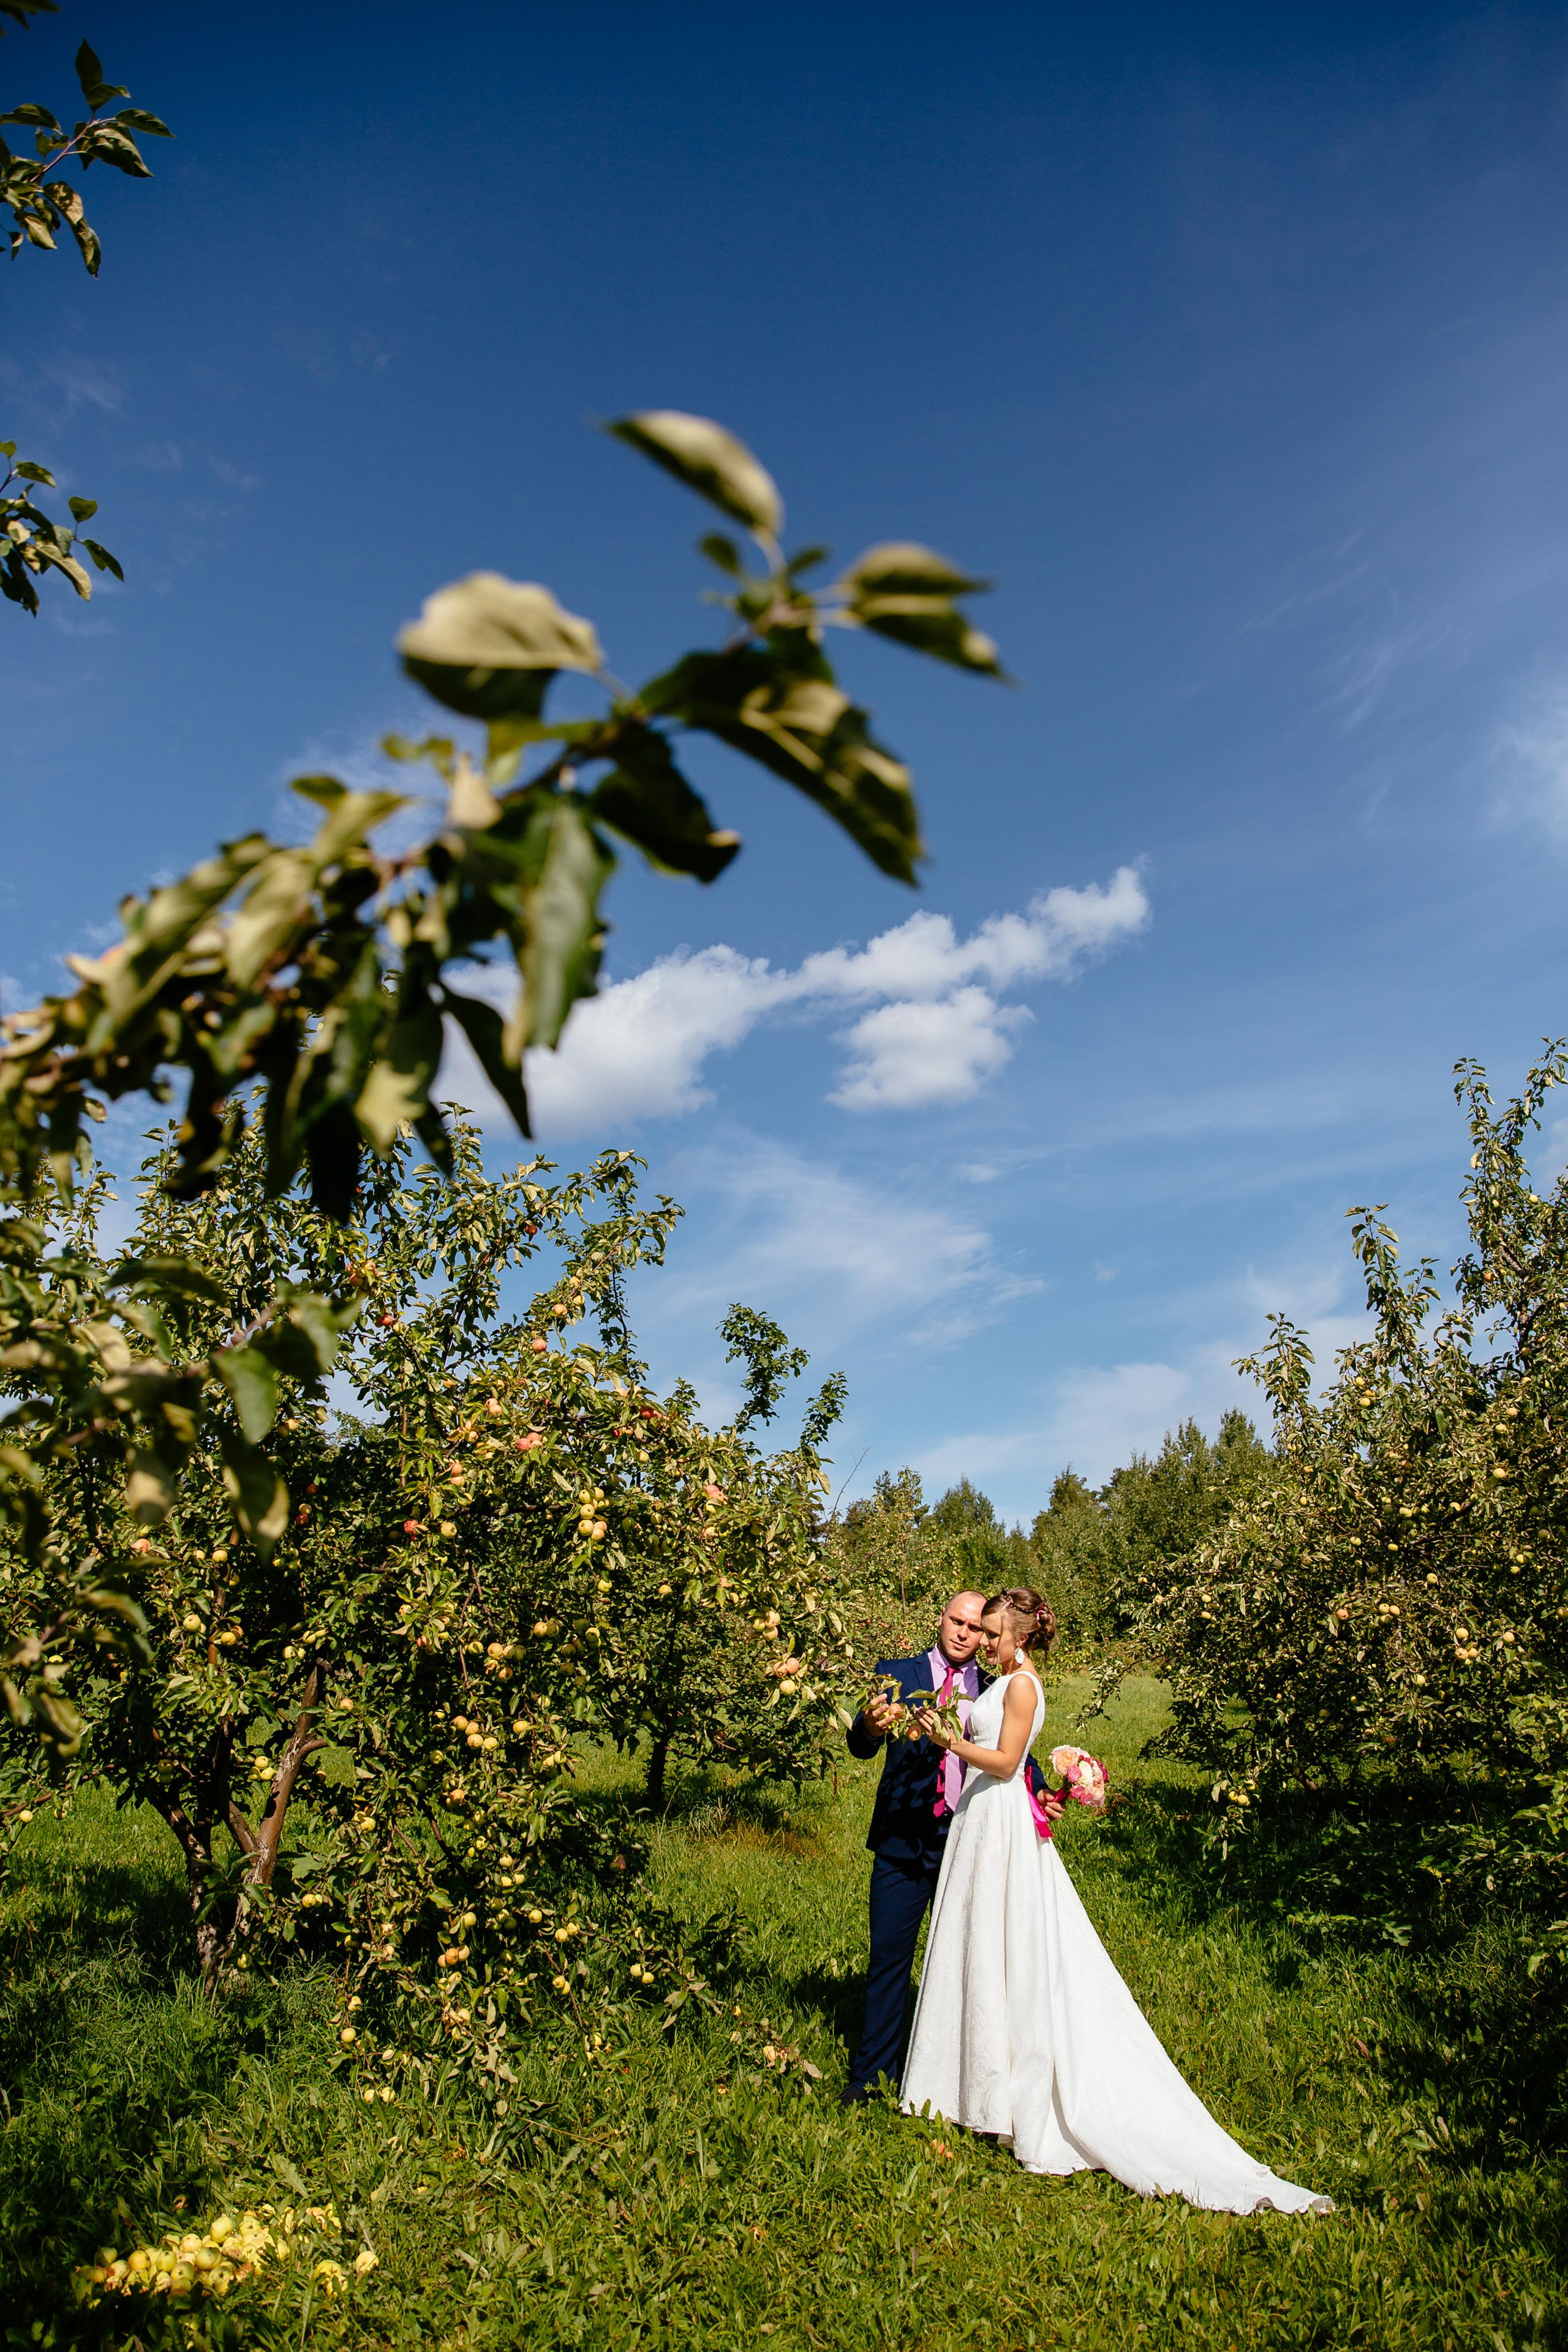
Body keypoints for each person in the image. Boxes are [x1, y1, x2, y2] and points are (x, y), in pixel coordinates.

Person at [898, 1584, 1332, 2212]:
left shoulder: (1021, 1686)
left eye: (995, 1634)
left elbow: (1004, 1761)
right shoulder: (1000, 1683)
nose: (986, 1643)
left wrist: (945, 1740)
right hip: (981, 1821)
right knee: (978, 1944)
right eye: (984, 1633)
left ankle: (1007, 2100)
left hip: (999, 1824)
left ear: (1019, 1635)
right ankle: (971, 2090)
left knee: (1005, 1951)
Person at [841, 1590, 1061, 2103]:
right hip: (903, 1838)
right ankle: (871, 2079)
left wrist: (1042, 1788)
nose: (966, 1633)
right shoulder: (898, 1672)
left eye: (977, 1626)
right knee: (889, 1958)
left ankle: (958, 2079)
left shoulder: (996, 1681)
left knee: (971, 1958)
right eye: (957, 1621)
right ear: (940, 1620)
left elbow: (1014, 1754)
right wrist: (870, 1726)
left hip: (971, 1839)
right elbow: (859, 1744)